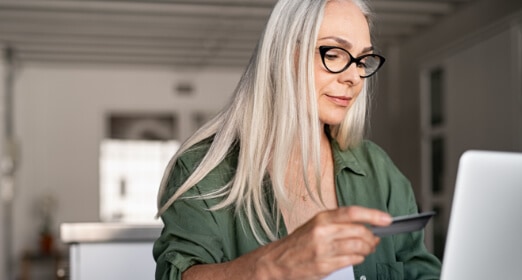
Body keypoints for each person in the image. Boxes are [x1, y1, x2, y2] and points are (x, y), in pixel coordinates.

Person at [153, 0, 442, 279]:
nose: (354, 76)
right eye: (334, 54)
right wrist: (272, 266)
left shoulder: (378, 169)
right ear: (282, 54)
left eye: (362, 60)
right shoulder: (204, 170)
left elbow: (420, 271)